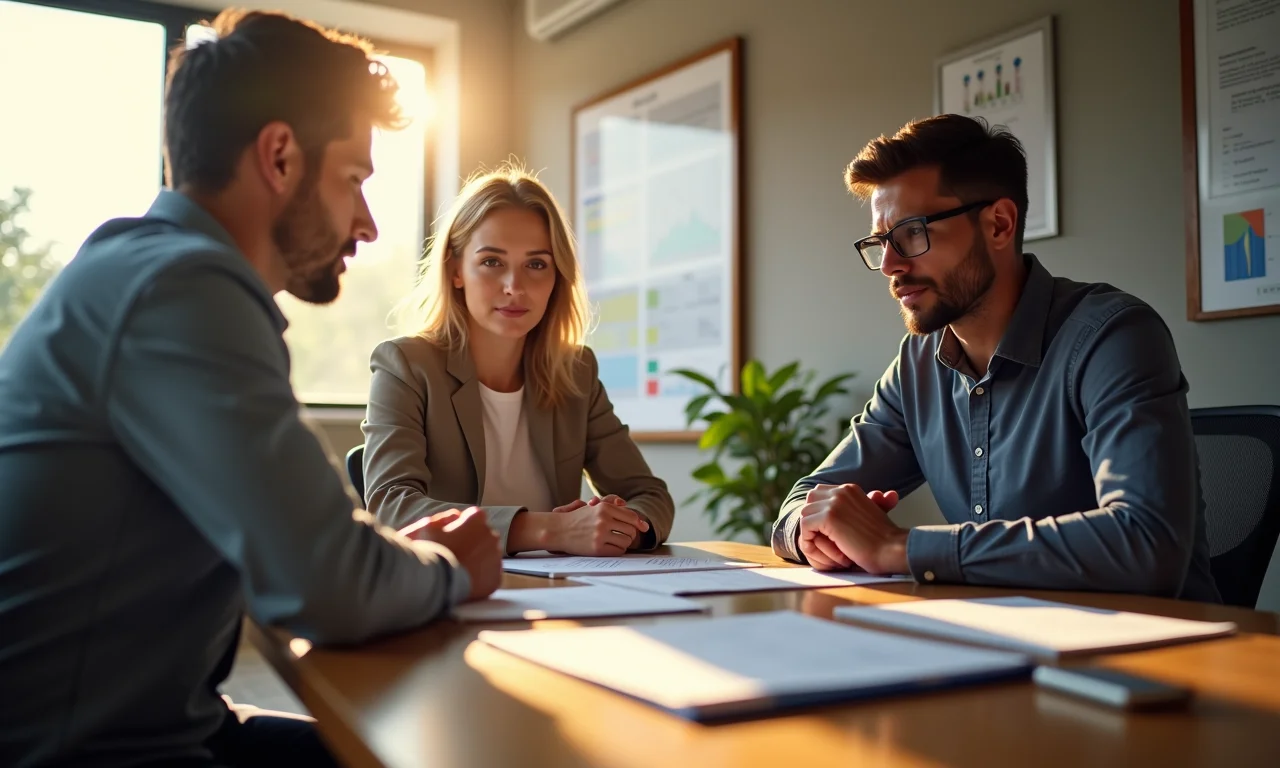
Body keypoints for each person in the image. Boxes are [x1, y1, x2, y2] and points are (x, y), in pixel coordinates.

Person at [0, 10, 502, 768]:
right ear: (279, 157)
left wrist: (390, 558)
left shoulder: (146, 273)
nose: (367, 224)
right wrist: (454, 569)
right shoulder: (179, 289)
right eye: (354, 179)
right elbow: (322, 585)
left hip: (174, 727)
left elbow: (315, 548)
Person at [772, 114, 1219, 602]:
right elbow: (803, 501)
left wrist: (901, 547)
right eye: (881, 243)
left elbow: (1146, 545)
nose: (891, 266)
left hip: (1155, 656)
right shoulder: (918, 363)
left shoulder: (1113, 337)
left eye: (911, 233)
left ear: (999, 224)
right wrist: (814, 532)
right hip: (999, 640)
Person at [362, 166, 675, 556]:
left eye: (537, 264)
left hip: (566, 597)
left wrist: (621, 528)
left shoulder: (577, 371)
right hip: (452, 592)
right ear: (456, 270)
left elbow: (649, 495)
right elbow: (393, 507)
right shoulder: (406, 365)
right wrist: (550, 530)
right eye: (492, 262)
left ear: (557, 277)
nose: (515, 286)